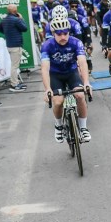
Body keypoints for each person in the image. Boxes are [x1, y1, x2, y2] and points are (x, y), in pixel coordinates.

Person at [40, 15, 92, 144]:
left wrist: (86, 82)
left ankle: (83, 127)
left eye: (65, 33)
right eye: (59, 34)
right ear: (53, 34)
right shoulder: (47, 45)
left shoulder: (76, 42)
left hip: (71, 73)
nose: (63, 37)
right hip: (55, 75)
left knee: (80, 95)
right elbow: (45, 69)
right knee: (58, 102)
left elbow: (82, 63)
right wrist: (47, 89)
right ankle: (58, 125)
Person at [0, 4, 28, 91]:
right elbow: (25, 28)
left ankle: (16, 81)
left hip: (9, 44)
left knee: (14, 65)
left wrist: (7, 32)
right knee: (14, 66)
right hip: (16, 45)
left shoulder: (5, 19)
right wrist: (21, 18)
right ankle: (14, 84)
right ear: (15, 11)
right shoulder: (16, 19)